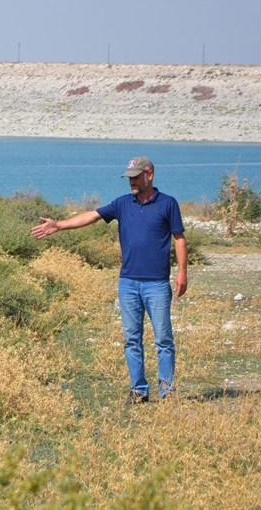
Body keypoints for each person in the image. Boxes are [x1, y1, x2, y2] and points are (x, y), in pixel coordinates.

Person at [30, 156, 188, 403]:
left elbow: (179, 239)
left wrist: (182, 273)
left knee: (163, 340)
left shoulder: (168, 204)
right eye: (129, 178)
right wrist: (58, 225)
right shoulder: (122, 204)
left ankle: (167, 392)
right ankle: (139, 391)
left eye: (136, 177)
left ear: (150, 174)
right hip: (128, 283)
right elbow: (91, 215)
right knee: (131, 339)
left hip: (156, 284)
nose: (132, 182)